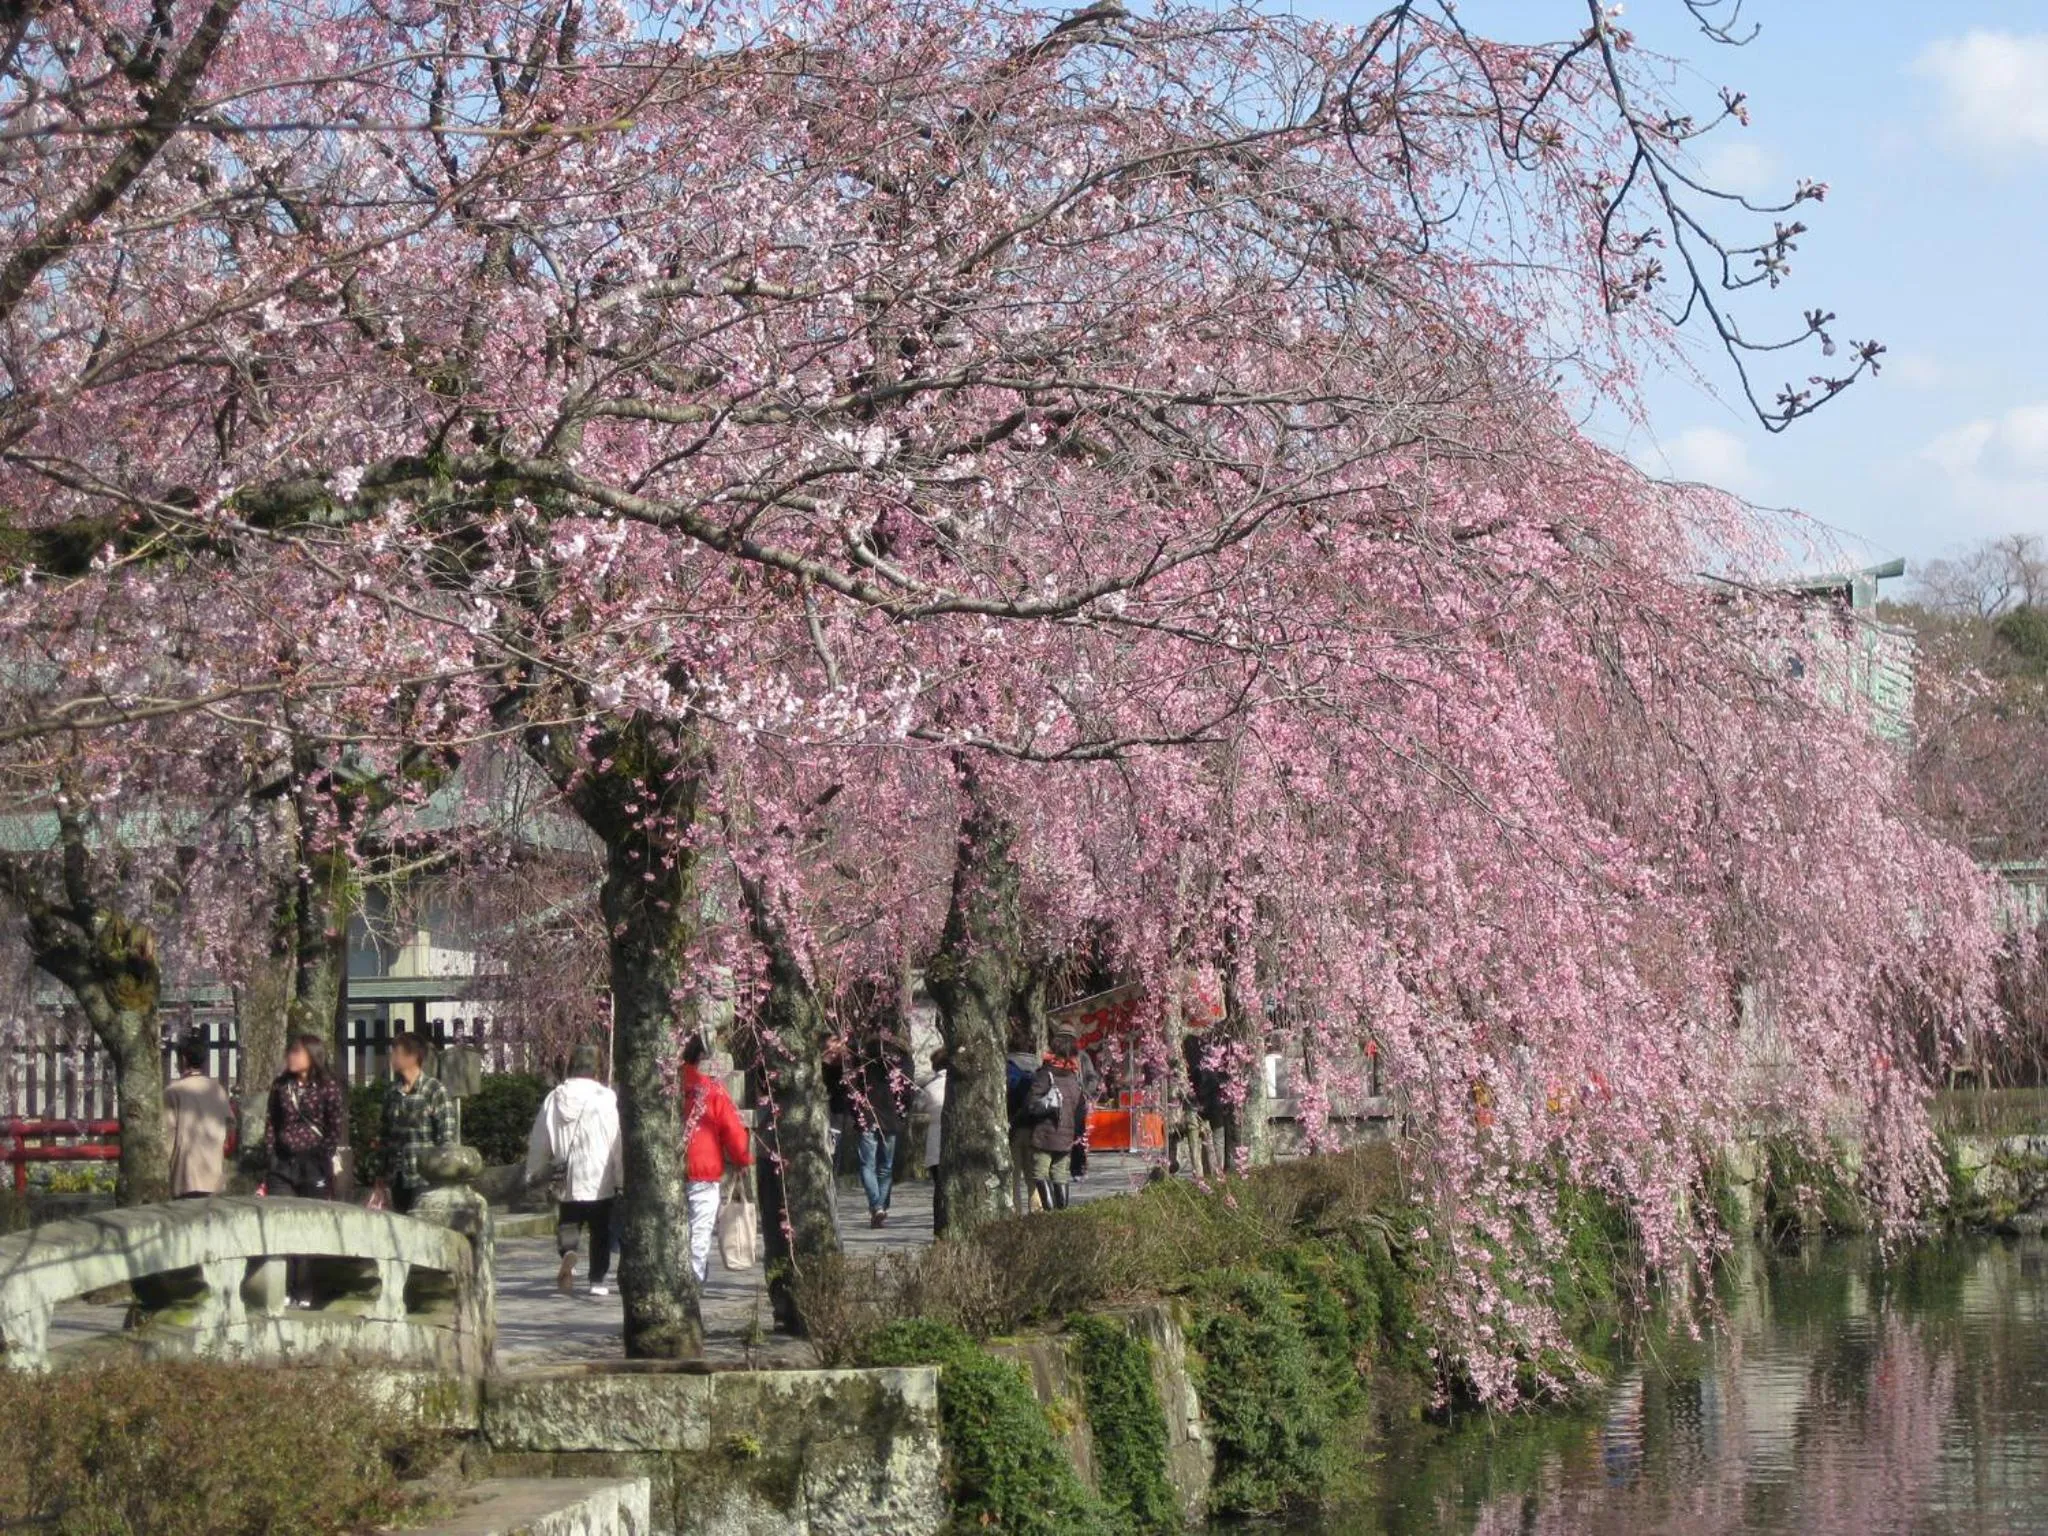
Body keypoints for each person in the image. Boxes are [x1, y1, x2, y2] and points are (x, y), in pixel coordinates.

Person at [526, 1043, 623, 1298]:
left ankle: (568, 1252)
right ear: (596, 1068)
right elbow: (617, 1140)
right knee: (600, 1230)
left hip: (566, 1176)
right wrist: (621, 1176)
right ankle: (597, 1280)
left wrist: (534, 1172)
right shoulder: (605, 1098)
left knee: (569, 1221)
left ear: (572, 1066)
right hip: (600, 1175)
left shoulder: (555, 1097)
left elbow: (540, 1139)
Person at [681, 1034, 752, 1283]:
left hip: (668, 1169)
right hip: (702, 1168)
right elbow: (732, 1129)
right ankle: (694, 1280)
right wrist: (742, 1160)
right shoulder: (711, 1089)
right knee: (699, 1231)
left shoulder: (668, 1086)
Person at [370, 1032, 454, 1214]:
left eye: (396, 1052)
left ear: (413, 1056)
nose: (392, 1057)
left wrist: (440, 1172)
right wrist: (381, 1174)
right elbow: (385, 1136)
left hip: (423, 1177)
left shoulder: (434, 1089)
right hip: (397, 1176)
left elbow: (446, 1136)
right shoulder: (392, 1092)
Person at [262, 1033, 345, 1199]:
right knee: (281, 1213)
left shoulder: (327, 1087)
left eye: (297, 1052)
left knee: (312, 1214)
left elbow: (334, 1126)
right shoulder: (281, 1085)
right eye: (290, 1052)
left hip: (314, 1162)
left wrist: (323, 1154)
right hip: (283, 1162)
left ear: (312, 1055)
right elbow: (272, 1119)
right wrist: (270, 1152)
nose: (291, 1057)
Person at [1022, 1027, 1090, 1211]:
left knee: (1039, 1173)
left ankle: (1050, 1213)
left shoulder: (1046, 1074)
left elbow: (1031, 1103)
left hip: (1045, 1134)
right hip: (1066, 1136)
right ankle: (1062, 1214)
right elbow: (1080, 1108)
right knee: (1060, 1174)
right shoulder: (1073, 1078)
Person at [853, 1028, 912, 1229]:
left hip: (866, 1117)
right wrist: (904, 1114)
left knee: (867, 1165)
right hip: (891, 1118)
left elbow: (853, 1090)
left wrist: (856, 1114)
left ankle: (877, 1206)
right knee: (885, 1166)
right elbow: (906, 1092)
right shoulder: (902, 1062)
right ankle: (881, 1207)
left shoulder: (862, 1061)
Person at [164, 1034, 233, 1198]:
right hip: (213, 1169)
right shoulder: (217, 1090)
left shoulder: (174, 1091)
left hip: (185, 1171)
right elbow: (230, 1124)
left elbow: (167, 1133)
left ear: (183, 1059)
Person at [917, 1048, 948, 1230]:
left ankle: (939, 1223)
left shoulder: (930, 1088)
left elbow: (919, 1106)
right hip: (960, 1144)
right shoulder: (962, 1085)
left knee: (939, 1186)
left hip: (936, 1139)